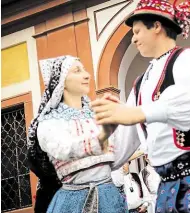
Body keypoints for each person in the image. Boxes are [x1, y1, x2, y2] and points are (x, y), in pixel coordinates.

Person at [90, 0, 190, 212]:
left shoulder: (189, 58)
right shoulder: (140, 84)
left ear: (157, 26)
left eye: (138, 31)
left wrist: (137, 113)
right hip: (166, 185)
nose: (133, 38)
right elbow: (124, 139)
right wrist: (100, 142)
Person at [27, 56, 139, 213]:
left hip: (110, 197)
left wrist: (135, 113)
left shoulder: (95, 116)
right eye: (77, 71)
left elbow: (117, 156)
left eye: (85, 70)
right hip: (73, 201)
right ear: (61, 81)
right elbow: (64, 149)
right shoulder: (49, 122)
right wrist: (101, 138)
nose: (87, 75)